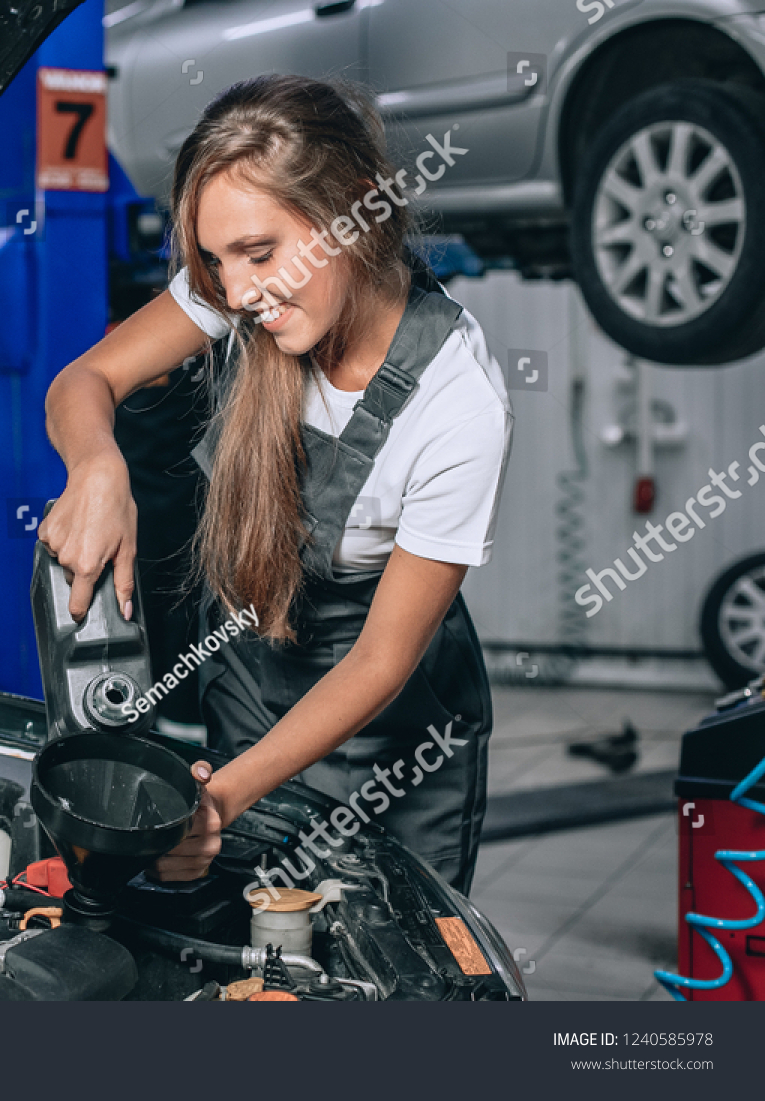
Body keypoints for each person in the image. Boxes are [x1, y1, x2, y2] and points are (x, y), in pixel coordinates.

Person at [38, 74, 512, 895]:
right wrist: (97, 467)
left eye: (258, 254)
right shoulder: (244, 289)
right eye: (217, 264)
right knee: (250, 947)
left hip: (393, 732)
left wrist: (218, 799)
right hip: (252, 677)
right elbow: (82, 382)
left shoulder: (458, 401)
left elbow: (380, 661)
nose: (240, 292)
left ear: (355, 210)